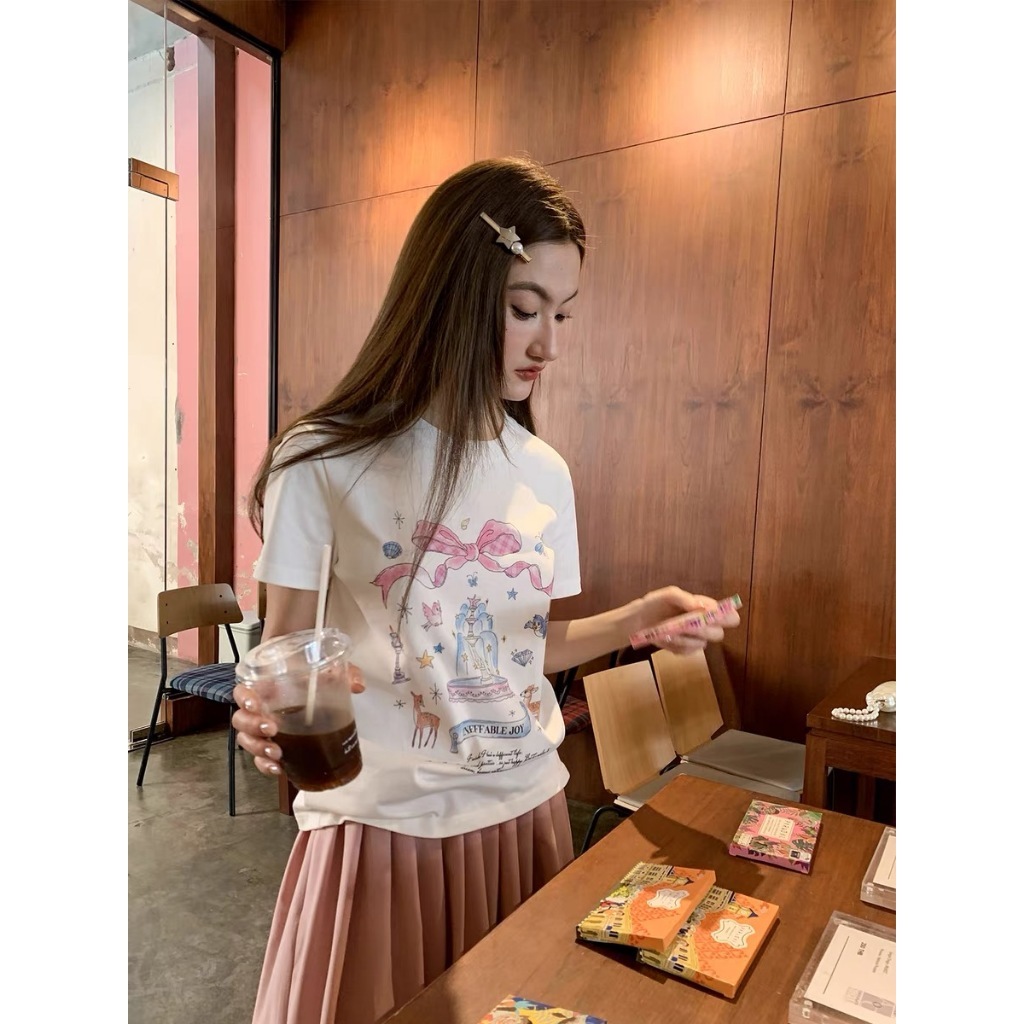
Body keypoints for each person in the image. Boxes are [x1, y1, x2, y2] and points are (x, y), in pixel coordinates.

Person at [232, 156, 741, 1024]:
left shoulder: (544, 473)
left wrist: (636, 620)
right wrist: (263, 711)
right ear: (451, 295)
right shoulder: (321, 460)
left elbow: (522, 652)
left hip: (524, 813)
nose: (549, 345)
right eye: (524, 309)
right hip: (386, 829)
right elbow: (284, 654)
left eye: (562, 313)